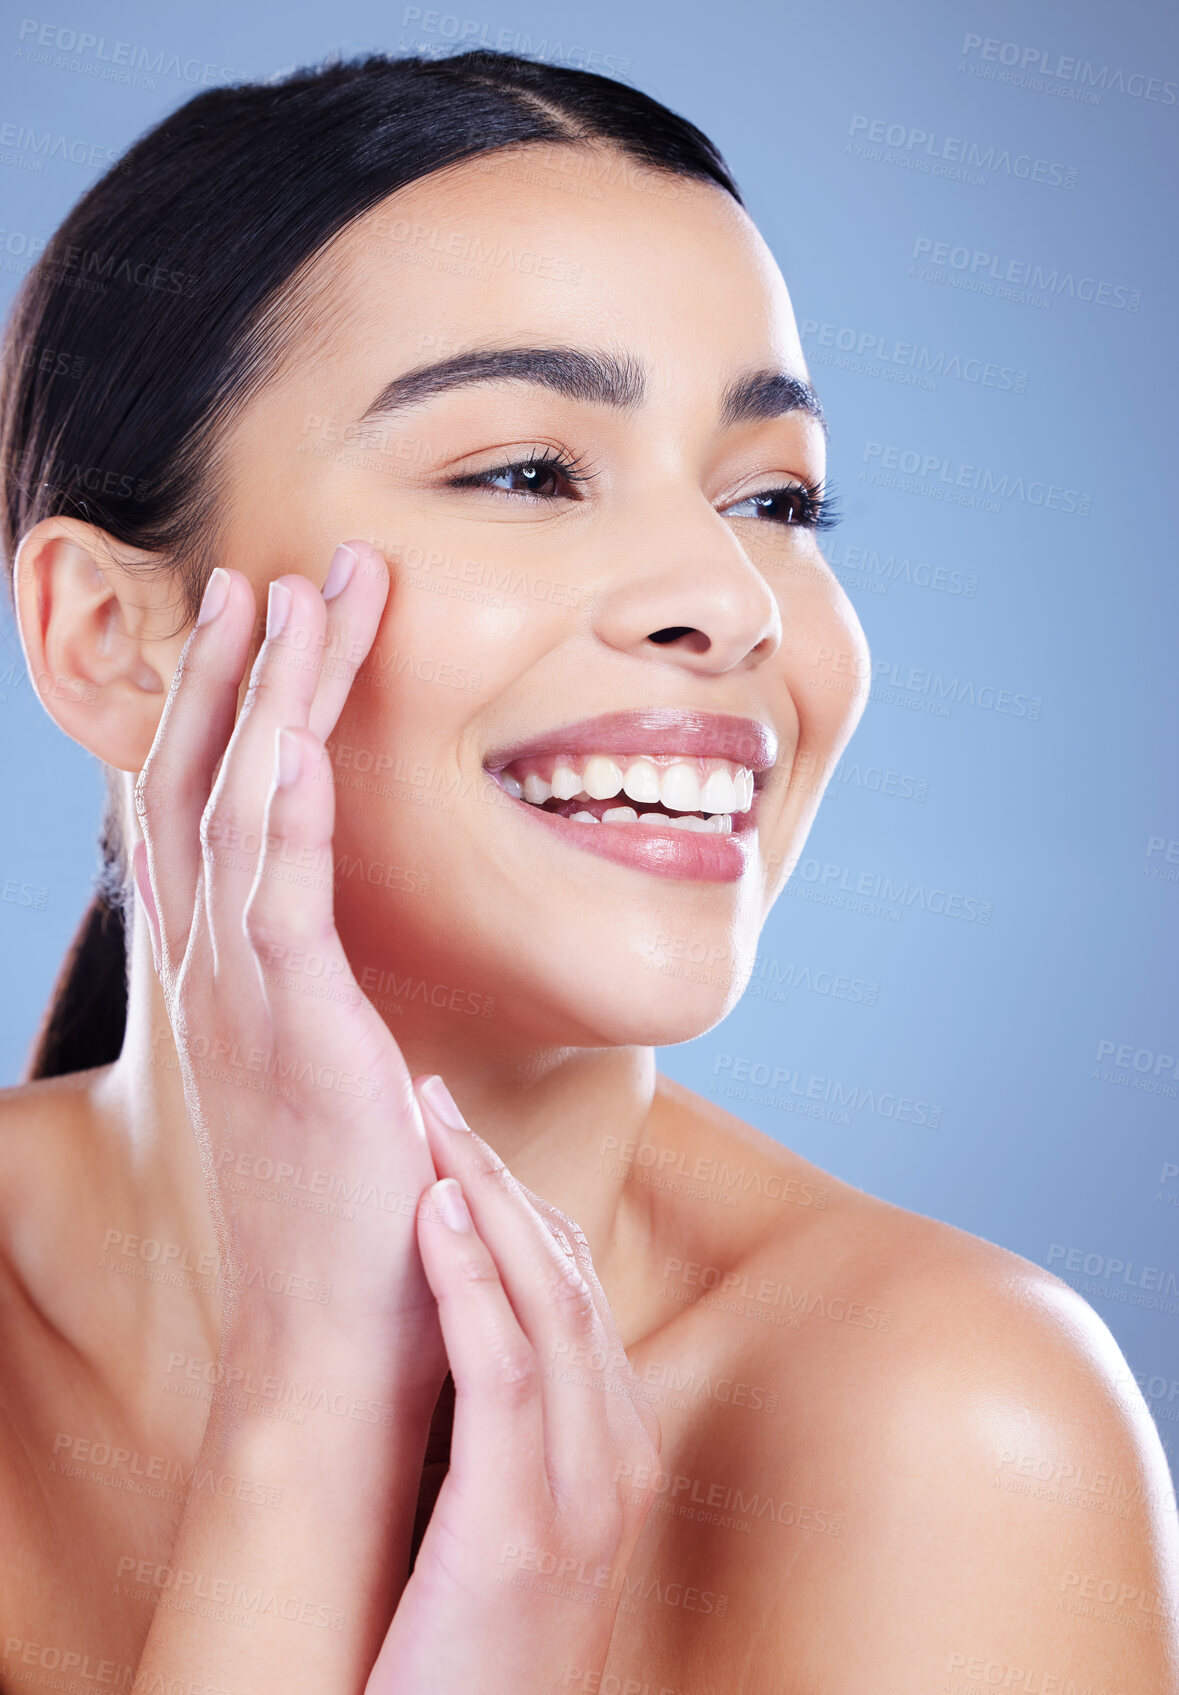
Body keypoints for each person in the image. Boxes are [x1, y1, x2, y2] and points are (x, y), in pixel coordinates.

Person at [0, 47, 1174, 1695]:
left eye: (778, 497)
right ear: (115, 638)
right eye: (529, 473)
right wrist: (312, 1416)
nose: (733, 594)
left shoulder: (951, 1427)